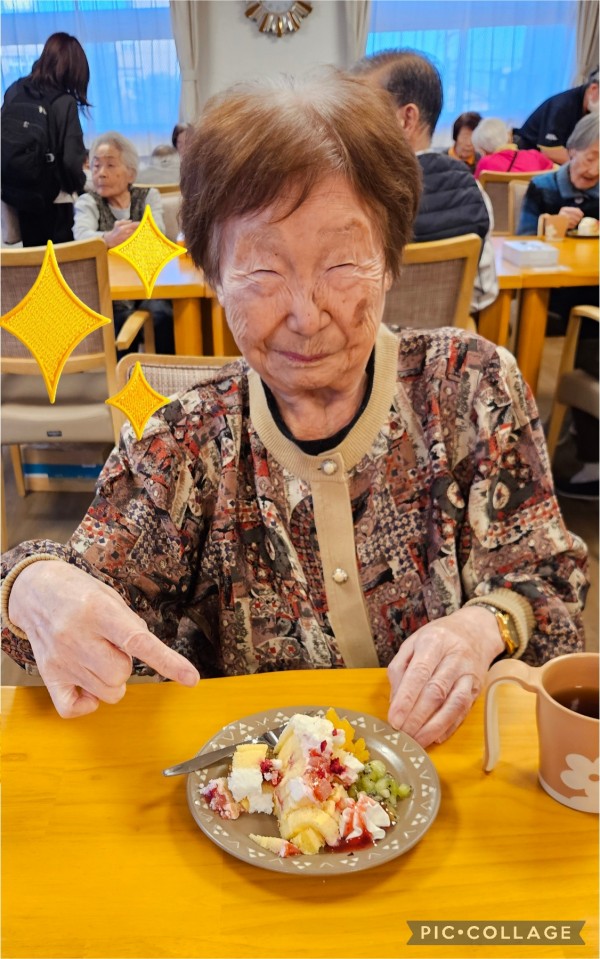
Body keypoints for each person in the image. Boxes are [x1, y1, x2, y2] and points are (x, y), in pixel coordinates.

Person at [1, 71, 588, 745]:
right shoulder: (187, 439)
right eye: (263, 271)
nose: (307, 316)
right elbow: (80, 591)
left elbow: (550, 583)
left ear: (390, 260)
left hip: (455, 772)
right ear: (214, 278)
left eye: (342, 264)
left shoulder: (469, 386)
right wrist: (33, 587)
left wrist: (484, 624)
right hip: (254, 794)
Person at [352, 49, 498, 314]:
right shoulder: (473, 191)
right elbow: (482, 293)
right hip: (445, 338)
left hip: (368, 337)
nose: (351, 124)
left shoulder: (352, 191)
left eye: (363, 111)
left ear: (407, 118)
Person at [518, 112, 599, 501]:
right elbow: (518, 240)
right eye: (591, 157)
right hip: (552, 298)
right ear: (572, 151)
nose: (594, 169)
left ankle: (581, 449)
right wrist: (552, 222)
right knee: (588, 343)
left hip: (592, 297)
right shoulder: (544, 187)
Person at [73, 131, 175, 354]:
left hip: (149, 287)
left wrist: (139, 235)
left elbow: (157, 232)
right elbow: (80, 236)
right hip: (111, 294)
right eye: (96, 166)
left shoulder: (149, 196)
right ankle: (126, 376)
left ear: (131, 173)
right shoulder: (88, 201)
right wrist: (107, 238)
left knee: (163, 316)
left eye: (110, 165)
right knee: (120, 321)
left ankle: (166, 373)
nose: (101, 173)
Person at [1, 32, 90, 246]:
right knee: (63, 259)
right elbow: (71, 161)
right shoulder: (64, 102)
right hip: (54, 200)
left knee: (35, 258)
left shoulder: (15, 89)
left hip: (18, 195)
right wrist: (82, 187)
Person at [514, 68, 599, 166]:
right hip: (528, 157)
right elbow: (550, 151)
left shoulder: (590, 108)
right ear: (594, 89)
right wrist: (587, 164)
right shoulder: (562, 106)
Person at [472, 117, 555, 179]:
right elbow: (554, 175)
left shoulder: (485, 163)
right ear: (509, 136)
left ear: (483, 150)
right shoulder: (535, 156)